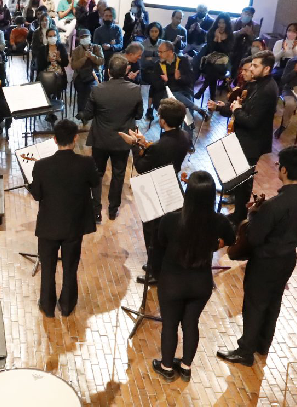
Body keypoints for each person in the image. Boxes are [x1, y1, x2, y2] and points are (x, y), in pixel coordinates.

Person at [217, 145, 297, 366]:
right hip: (288, 258)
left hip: (266, 262)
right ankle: (263, 344)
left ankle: (245, 351)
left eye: (280, 165)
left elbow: (255, 238)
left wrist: (252, 216)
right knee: (273, 302)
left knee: (254, 304)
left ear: (285, 171)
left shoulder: (274, 205)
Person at [151, 170, 235, 382]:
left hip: (172, 282)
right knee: (191, 323)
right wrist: (217, 244)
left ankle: (167, 367)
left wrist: (157, 274)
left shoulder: (170, 220)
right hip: (201, 283)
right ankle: (186, 367)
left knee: (170, 324)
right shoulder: (218, 221)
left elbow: (159, 246)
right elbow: (231, 238)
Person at [29, 120, 100, 318]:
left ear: (54, 139)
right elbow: (95, 182)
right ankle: (67, 306)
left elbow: (37, 195)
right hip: (74, 225)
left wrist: (30, 186)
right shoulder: (86, 163)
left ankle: (47, 306)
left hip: (49, 225)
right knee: (70, 267)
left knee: (48, 268)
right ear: (76, 138)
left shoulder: (41, 166)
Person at [208, 50, 279, 224]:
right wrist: (226, 107)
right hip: (244, 138)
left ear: (267, 69)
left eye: (255, 66)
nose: (251, 69)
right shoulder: (256, 84)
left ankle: (239, 215)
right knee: (239, 177)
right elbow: (239, 106)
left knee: (245, 180)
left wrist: (237, 109)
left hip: (252, 141)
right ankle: (237, 210)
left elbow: (251, 121)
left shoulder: (267, 90)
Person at [126, 98, 191, 282]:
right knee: (162, 231)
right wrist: (146, 144)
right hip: (172, 184)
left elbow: (141, 166)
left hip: (157, 189)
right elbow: (160, 153)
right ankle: (156, 263)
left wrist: (134, 145)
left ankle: (155, 272)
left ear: (163, 121)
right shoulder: (184, 136)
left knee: (152, 231)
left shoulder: (162, 146)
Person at [79, 54, 143, 221]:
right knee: (118, 174)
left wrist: (81, 114)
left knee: (97, 174)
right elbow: (139, 114)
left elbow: (88, 114)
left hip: (100, 138)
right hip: (122, 140)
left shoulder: (97, 90)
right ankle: (113, 210)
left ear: (108, 72)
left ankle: (96, 211)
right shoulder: (135, 90)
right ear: (125, 71)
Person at [149, 40, 205, 130]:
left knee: (181, 102)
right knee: (179, 102)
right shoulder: (158, 65)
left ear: (170, 52)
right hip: (165, 94)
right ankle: (197, 110)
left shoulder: (183, 61)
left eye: (161, 52)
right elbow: (155, 85)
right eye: (158, 52)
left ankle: (187, 139)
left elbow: (191, 79)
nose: (158, 54)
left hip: (183, 91)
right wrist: (165, 81)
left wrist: (179, 78)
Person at [195, 14, 234, 99]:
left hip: (224, 62)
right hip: (211, 60)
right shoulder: (211, 33)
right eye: (219, 23)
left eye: (223, 23)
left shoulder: (230, 34)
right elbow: (210, 50)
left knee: (213, 69)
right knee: (212, 70)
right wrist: (214, 39)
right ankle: (213, 97)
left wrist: (219, 39)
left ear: (227, 24)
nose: (221, 25)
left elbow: (226, 50)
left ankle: (202, 89)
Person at [70, 28, 103, 115]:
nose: (84, 38)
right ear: (79, 39)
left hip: (94, 75)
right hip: (80, 76)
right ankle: (81, 113)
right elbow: (73, 66)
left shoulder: (97, 48)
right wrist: (84, 58)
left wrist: (92, 56)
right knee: (81, 90)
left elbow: (101, 61)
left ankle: (88, 113)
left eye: (86, 36)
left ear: (90, 37)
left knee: (90, 89)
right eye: (82, 37)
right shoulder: (76, 51)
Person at [37, 26, 68, 100]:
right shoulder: (42, 49)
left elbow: (66, 63)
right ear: (47, 37)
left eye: (54, 36)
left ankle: (55, 96)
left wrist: (59, 59)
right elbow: (40, 66)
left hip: (58, 73)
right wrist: (47, 60)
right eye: (50, 36)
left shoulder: (61, 47)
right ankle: (48, 98)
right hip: (46, 72)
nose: (52, 37)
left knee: (56, 79)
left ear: (57, 36)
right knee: (47, 80)